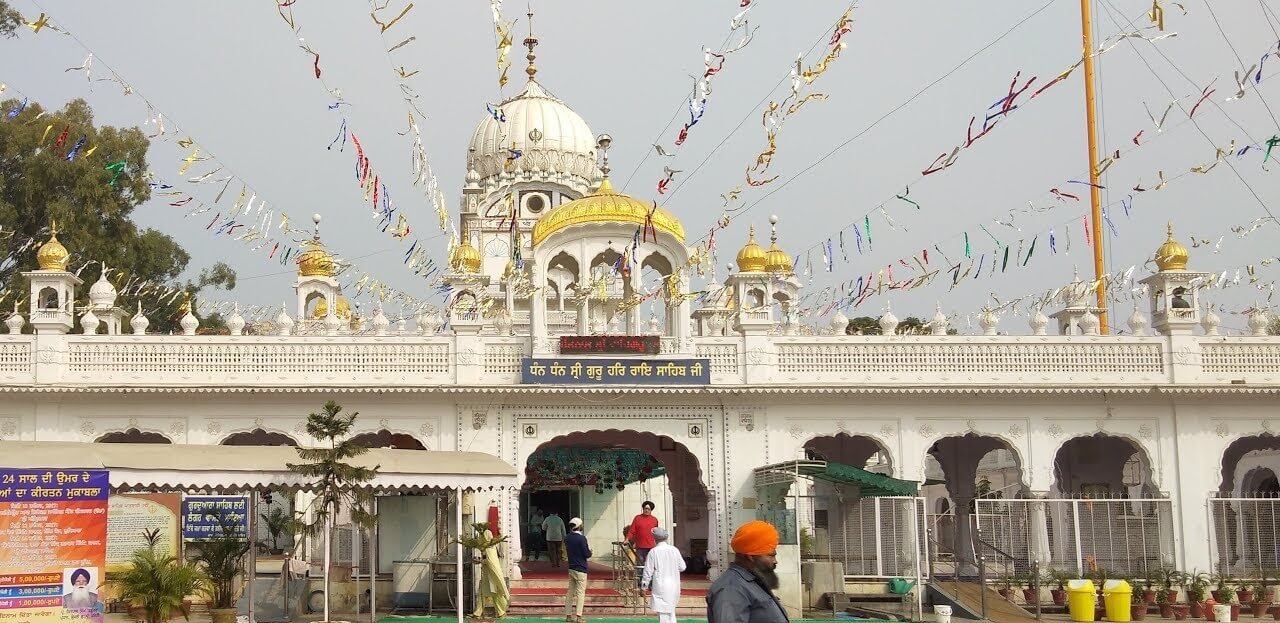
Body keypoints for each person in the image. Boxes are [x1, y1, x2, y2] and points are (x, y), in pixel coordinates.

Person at [706, 520, 788, 623]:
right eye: (771, 555)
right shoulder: (731, 589)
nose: (775, 561)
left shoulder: (752, 582)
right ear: (751, 557)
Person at [641, 527, 686, 623]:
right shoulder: (674, 550)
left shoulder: (653, 552)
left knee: (663, 614)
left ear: (654, 539)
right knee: (671, 612)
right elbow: (683, 567)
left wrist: (644, 586)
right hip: (674, 585)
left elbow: (648, 571)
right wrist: (672, 568)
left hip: (660, 585)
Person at [473, 527, 510, 620]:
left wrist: (480, 561)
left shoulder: (489, 547)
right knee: (491, 594)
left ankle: (478, 613)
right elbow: (487, 560)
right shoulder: (488, 547)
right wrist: (481, 560)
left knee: (486, 594)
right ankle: (500, 612)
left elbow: (489, 561)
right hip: (488, 575)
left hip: (490, 576)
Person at [564, 517, 592, 623]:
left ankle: (568, 615)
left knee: (570, 592)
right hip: (581, 568)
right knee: (580, 593)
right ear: (579, 526)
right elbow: (586, 554)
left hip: (571, 567)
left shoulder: (567, 538)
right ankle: (579, 616)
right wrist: (590, 552)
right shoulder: (582, 538)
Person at [625, 500, 660, 565]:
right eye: (645, 508)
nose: (646, 510)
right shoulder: (637, 518)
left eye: (648, 509)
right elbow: (632, 530)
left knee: (649, 564)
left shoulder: (654, 520)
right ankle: (640, 575)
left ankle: (649, 575)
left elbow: (656, 533)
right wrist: (627, 539)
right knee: (640, 565)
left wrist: (658, 544)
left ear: (651, 510)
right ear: (643, 509)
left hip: (651, 547)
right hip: (640, 547)